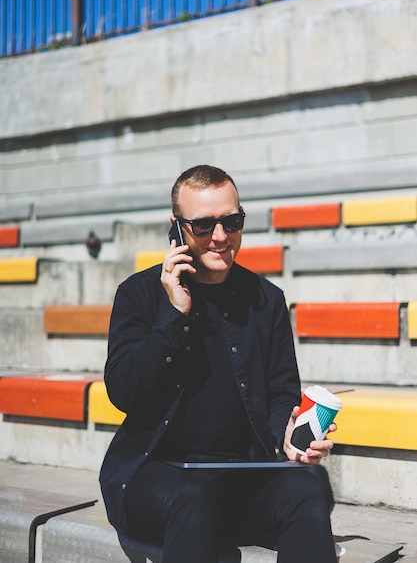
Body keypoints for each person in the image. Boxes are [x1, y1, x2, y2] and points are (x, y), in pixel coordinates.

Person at [100, 164, 338, 563]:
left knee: (310, 486)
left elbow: (281, 392)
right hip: (157, 477)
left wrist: (289, 434)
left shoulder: (266, 298)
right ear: (176, 228)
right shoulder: (139, 294)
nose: (221, 237)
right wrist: (173, 317)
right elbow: (122, 392)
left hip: (242, 479)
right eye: (203, 226)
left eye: (232, 221)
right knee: (194, 494)